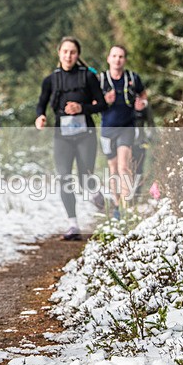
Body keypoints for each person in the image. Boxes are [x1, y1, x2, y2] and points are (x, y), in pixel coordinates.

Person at [35, 37, 107, 241]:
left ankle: (95, 195)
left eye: (73, 52)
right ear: (59, 53)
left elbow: (102, 104)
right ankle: (73, 224)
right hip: (62, 136)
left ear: (78, 55)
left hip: (86, 134)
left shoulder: (88, 77)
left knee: (85, 176)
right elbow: (41, 103)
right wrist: (40, 116)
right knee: (64, 178)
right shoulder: (51, 79)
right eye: (65, 52)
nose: (68, 56)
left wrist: (81, 108)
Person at [98, 45, 148, 216]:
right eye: (114, 56)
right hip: (107, 129)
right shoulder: (101, 80)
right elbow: (93, 103)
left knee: (123, 166)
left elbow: (143, 94)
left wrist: (142, 104)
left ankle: (126, 206)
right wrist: (104, 100)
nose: (117, 59)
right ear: (108, 58)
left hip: (127, 126)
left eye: (121, 56)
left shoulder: (133, 78)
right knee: (112, 168)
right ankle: (117, 204)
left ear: (125, 59)